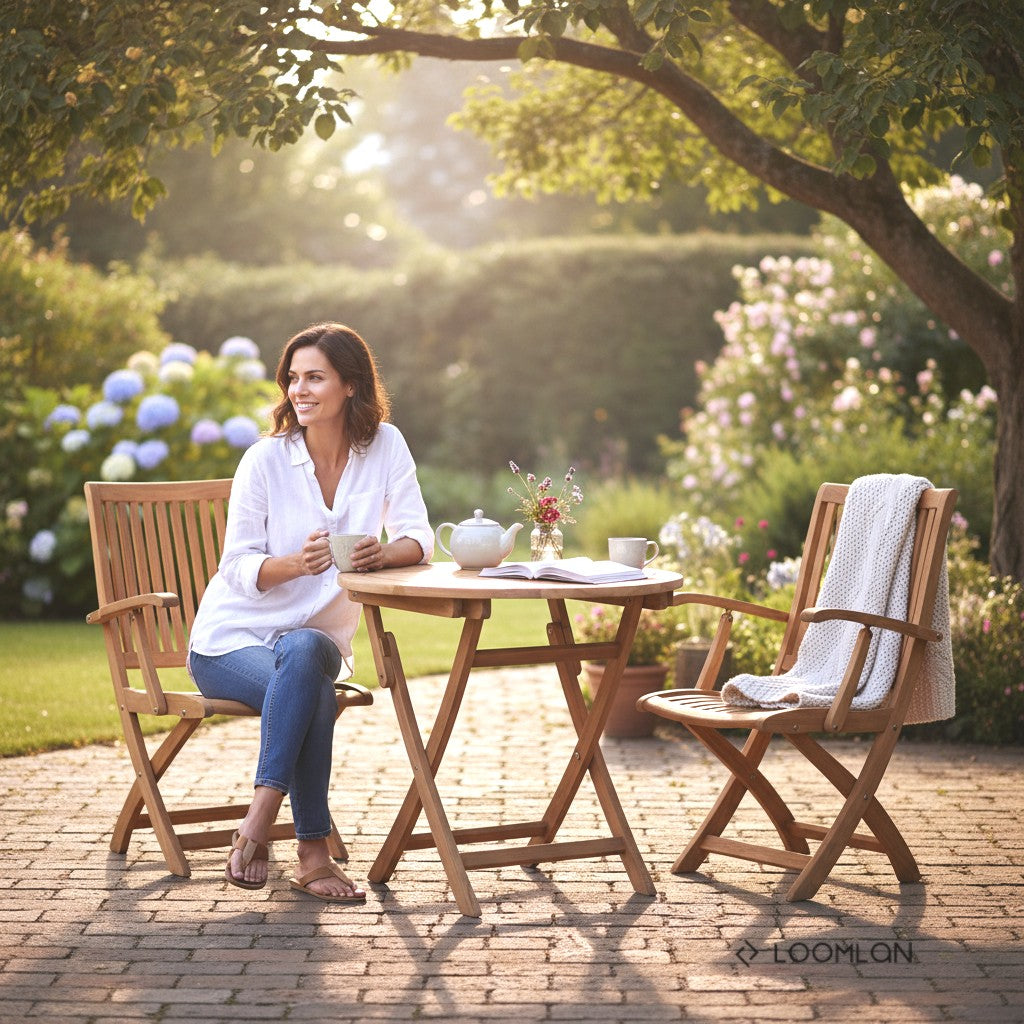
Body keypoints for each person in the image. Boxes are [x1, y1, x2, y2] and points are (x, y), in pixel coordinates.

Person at [187, 322, 433, 902]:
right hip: (231, 640)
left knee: (304, 654)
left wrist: (381, 552)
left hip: (317, 640)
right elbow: (238, 567)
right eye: (292, 378)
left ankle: (257, 821)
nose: (299, 389)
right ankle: (311, 853)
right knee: (309, 685)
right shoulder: (264, 460)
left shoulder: (386, 446)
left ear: (351, 384)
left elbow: (419, 537)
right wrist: (296, 565)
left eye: (314, 377)